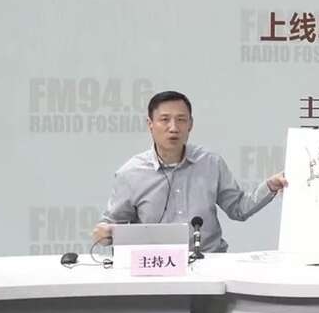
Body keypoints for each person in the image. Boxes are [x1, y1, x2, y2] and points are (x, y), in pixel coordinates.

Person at [91, 91, 287, 252]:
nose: (173, 128)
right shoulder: (131, 173)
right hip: (156, 267)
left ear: (190, 124)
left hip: (208, 263)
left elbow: (238, 209)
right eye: (164, 120)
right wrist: (106, 233)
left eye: (181, 120)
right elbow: (110, 226)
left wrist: (270, 186)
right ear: (150, 124)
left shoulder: (211, 163)